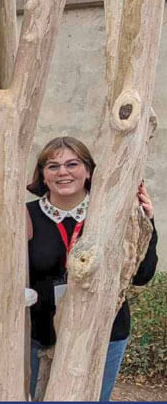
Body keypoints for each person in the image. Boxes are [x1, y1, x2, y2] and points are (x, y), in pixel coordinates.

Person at [25, 137, 158, 401]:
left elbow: (143, 276)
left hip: (103, 335)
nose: (63, 172)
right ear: (42, 174)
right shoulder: (26, 215)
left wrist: (147, 222)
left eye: (72, 164)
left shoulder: (115, 213)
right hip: (40, 336)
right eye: (52, 166)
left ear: (88, 171)